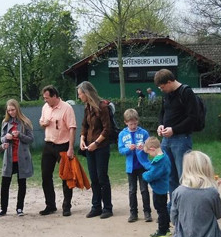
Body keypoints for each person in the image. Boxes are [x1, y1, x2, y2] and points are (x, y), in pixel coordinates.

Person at [154, 69, 200, 196]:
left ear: (169, 82)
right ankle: (174, 203)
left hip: (181, 139)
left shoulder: (186, 92)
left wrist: (174, 130)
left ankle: (185, 202)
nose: (161, 90)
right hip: (166, 140)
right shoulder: (167, 94)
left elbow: (193, 117)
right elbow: (162, 112)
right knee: (169, 175)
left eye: (162, 87)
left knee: (183, 175)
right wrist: (161, 125)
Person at [38, 85, 77, 217]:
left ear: (54, 96)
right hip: (49, 144)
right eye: (44, 98)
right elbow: (41, 122)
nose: (45, 100)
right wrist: (44, 124)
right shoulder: (45, 107)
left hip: (63, 145)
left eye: (47, 98)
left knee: (66, 176)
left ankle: (67, 206)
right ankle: (50, 205)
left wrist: (71, 148)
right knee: (45, 175)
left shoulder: (67, 108)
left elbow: (72, 128)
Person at [77, 81, 114, 219]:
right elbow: (84, 125)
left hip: (101, 147)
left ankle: (107, 207)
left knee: (102, 177)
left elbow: (107, 129)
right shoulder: (87, 107)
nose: (79, 97)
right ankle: (96, 206)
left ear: (86, 93)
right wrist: (82, 138)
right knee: (93, 177)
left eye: (80, 94)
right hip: (89, 147)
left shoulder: (102, 107)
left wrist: (96, 143)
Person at [0, 99, 34, 217]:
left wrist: (20, 135)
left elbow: (31, 139)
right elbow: (1, 138)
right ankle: (3, 208)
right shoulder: (5, 122)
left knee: (21, 183)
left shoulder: (25, 122)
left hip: (22, 157)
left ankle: (19, 208)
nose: (11, 112)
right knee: (5, 183)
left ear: (17, 109)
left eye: (13, 110)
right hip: (9, 157)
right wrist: (6, 138)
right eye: (9, 110)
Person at [117, 108, 152, 223]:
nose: (133, 126)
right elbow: (121, 149)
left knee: (144, 189)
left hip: (143, 166)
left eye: (135, 123)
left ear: (138, 121)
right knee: (132, 190)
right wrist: (128, 149)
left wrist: (144, 148)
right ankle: (133, 213)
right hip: (131, 167)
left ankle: (147, 212)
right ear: (126, 122)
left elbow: (150, 147)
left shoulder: (144, 133)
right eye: (131, 124)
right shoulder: (122, 134)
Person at [142, 137, 171, 237]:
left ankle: (162, 231)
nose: (150, 155)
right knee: (163, 208)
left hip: (159, 189)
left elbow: (152, 175)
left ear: (152, 149)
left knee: (160, 209)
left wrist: (144, 175)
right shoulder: (165, 156)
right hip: (163, 187)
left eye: (149, 153)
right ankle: (166, 228)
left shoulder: (159, 162)